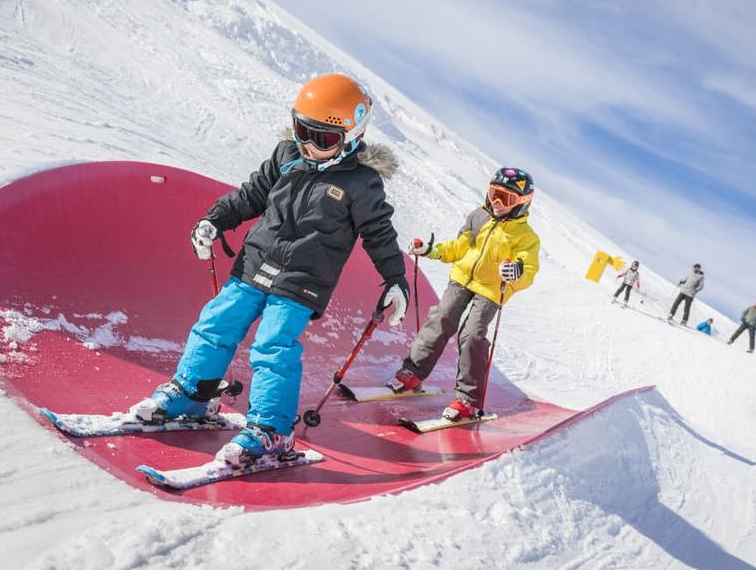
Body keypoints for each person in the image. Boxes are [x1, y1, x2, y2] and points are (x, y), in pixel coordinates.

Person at [129, 73, 409, 466]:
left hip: (302, 281)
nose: (309, 145)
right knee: (215, 323)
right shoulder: (286, 155)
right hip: (255, 263)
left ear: (351, 136)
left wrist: (396, 279)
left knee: (273, 345)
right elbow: (251, 196)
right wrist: (215, 219)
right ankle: (192, 396)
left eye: (323, 139)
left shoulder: (361, 183)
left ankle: (271, 430)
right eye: (302, 131)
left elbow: (379, 232)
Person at [387, 168, 540, 421]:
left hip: (491, 290)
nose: (497, 203)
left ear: (523, 203)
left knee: (472, 336)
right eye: (494, 194)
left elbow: (529, 268)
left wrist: (517, 271)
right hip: (461, 278)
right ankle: (413, 372)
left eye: (507, 199)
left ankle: (466, 399)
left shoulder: (526, 237)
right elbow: (458, 248)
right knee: (441, 318)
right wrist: (431, 250)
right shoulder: (478, 216)